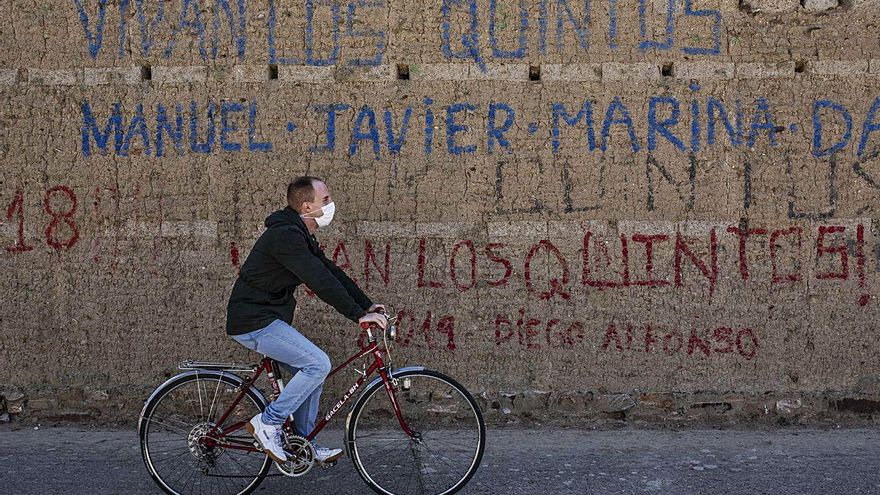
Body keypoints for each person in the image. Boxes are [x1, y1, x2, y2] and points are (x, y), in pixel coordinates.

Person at [225, 176, 388, 465]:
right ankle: (268, 422)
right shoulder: (285, 237)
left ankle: (303, 443)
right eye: (325, 200)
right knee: (317, 364)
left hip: (268, 318)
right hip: (254, 320)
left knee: (313, 372)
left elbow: (329, 271)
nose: (331, 204)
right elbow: (319, 281)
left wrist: (366, 304)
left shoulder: (298, 234)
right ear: (306, 205)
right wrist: (358, 315)